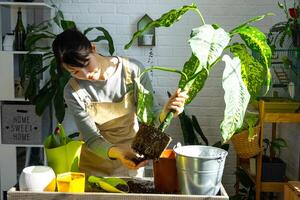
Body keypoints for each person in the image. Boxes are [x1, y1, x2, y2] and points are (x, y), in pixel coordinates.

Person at [52, 28, 188, 177]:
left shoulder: (133, 71)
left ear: (93, 48)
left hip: (131, 161)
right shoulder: (72, 91)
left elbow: (151, 118)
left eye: (86, 64)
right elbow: (91, 139)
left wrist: (165, 112)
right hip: (93, 165)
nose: (87, 75)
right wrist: (119, 153)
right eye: (75, 72)